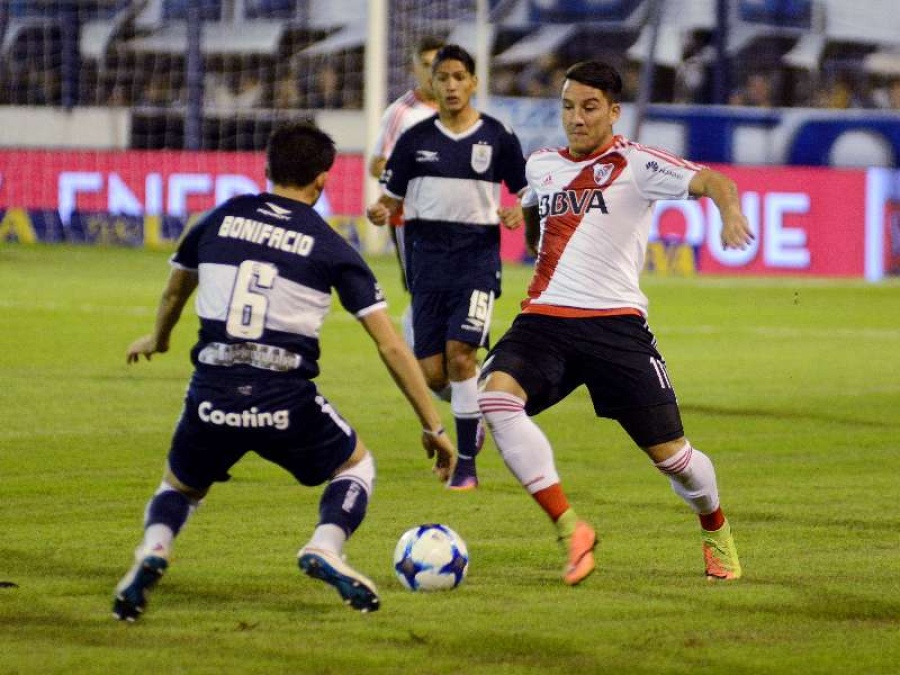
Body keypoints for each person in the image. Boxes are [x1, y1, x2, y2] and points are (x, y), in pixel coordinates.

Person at [111, 121, 455, 621]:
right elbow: (391, 346)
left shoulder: (217, 218)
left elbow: (173, 291)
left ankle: (155, 549)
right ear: (322, 180)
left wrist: (158, 339)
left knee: (180, 487)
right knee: (355, 465)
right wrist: (433, 425)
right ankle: (325, 545)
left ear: (266, 168)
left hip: (212, 392)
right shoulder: (333, 246)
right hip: (283, 398)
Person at [477, 60, 754, 586]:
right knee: (492, 400)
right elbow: (533, 206)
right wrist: (527, 225)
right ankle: (570, 529)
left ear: (612, 111)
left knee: (675, 460)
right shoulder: (541, 165)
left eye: (588, 108)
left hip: (616, 327)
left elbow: (714, 180)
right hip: (545, 321)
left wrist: (730, 212)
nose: (576, 119)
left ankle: (714, 526)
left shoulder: (638, 164)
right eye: (567, 107)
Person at [366, 44, 528, 491]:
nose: (452, 85)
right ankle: (470, 405)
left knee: (460, 356)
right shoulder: (414, 140)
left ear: (473, 82)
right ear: (432, 86)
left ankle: (468, 468)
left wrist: (519, 212)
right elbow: (390, 197)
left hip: (476, 260)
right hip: (427, 264)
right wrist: (380, 211)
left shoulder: (497, 136)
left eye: (460, 77)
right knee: (435, 374)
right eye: (444, 78)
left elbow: (527, 190)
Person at [368, 35, 445, 350]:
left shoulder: (462, 112)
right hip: (411, 216)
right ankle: (425, 355)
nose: (432, 72)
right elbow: (377, 164)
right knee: (424, 289)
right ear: (414, 68)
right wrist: (410, 176)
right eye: (425, 65)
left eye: (437, 65)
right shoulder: (402, 112)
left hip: (455, 216)